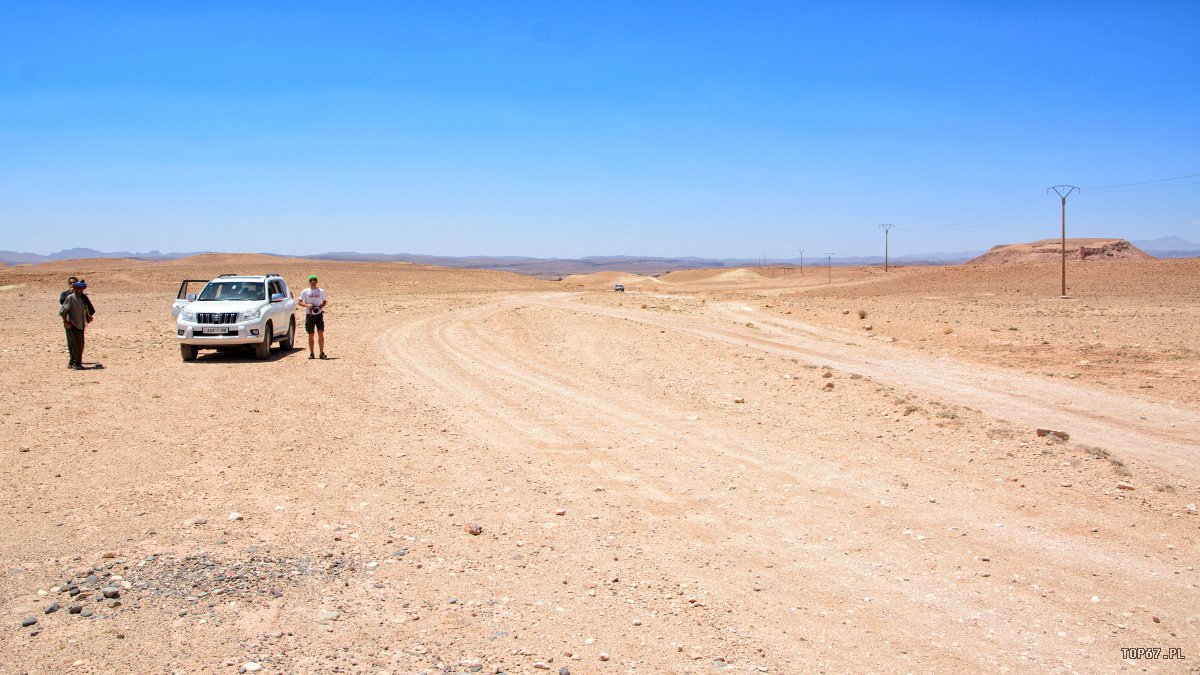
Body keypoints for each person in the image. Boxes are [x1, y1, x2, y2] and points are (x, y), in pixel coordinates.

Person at [59, 280, 92, 369]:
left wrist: (88, 317)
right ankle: (77, 364)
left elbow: (85, 310)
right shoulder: (70, 298)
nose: (80, 290)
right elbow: (62, 312)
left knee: (79, 345)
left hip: (80, 325)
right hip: (72, 325)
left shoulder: (82, 298)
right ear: (75, 288)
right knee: (75, 345)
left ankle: (72, 363)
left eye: (82, 289)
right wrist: (66, 322)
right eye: (78, 288)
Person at [298, 274, 329, 359]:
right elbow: (299, 302)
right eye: (311, 280)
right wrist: (307, 305)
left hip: (319, 314)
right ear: (309, 282)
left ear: (317, 281)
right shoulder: (305, 291)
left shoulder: (321, 291)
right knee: (311, 334)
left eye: (314, 280)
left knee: (320, 333)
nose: (313, 281)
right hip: (310, 315)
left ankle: (321, 352)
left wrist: (319, 307)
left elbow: (324, 302)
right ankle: (312, 353)